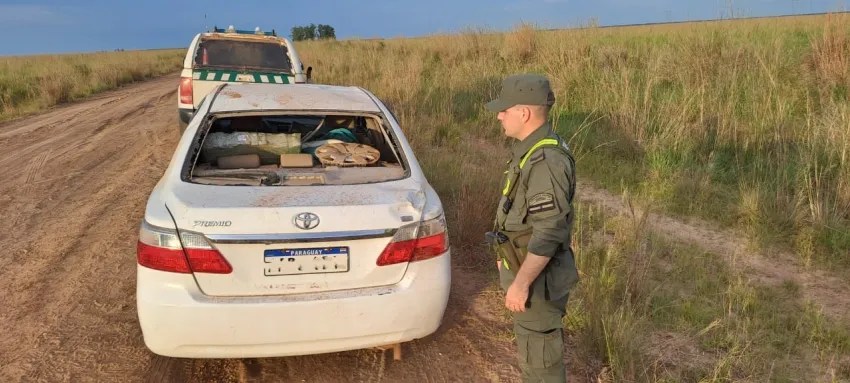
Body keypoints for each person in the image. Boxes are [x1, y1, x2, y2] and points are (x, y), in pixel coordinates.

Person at [485, 74, 579, 382]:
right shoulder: (531, 149)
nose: (500, 115)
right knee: (533, 353)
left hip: (539, 282)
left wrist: (521, 283)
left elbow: (549, 230)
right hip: (529, 270)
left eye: (505, 109)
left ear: (524, 113)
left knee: (541, 365)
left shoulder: (546, 159)